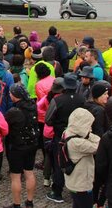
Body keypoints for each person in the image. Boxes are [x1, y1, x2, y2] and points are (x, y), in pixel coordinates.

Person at [45, 72, 85, 203]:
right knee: (77, 162)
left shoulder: (57, 100)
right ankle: (77, 191)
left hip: (61, 135)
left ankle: (57, 192)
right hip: (78, 135)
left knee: (59, 163)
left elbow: (48, 120)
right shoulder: (82, 99)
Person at [4, 85, 39, 208]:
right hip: (31, 144)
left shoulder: (14, 112)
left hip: (17, 146)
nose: (9, 95)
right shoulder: (33, 106)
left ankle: (17, 204)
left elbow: (4, 127)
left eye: (11, 93)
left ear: (16, 96)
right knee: (29, 172)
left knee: (16, 176)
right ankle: (29, 202)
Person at [63, 108, 100, 208]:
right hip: (82, 184)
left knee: (77, 204)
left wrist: (86, 133)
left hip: (73, 180)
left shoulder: (67, 132)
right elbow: (99, 145)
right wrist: (88, 135)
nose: (90, 128)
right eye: (89, 125)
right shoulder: (78, 143)